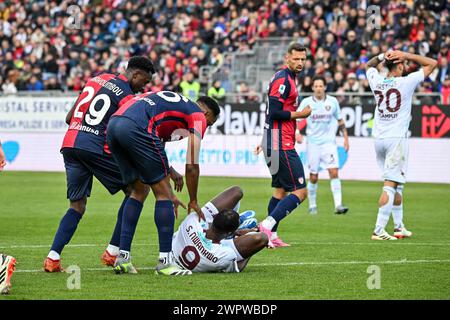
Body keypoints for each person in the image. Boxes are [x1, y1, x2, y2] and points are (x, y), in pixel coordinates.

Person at [43, 56, 155, 272]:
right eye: (145, 81)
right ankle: (113, 252)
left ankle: (53, 258)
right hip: (94, 146)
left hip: (70, 144)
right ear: (136, 74)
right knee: (138, 189)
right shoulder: (127, 97)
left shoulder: (97, 79)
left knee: (77, 206)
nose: (144, 87)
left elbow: (69, 117)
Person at [106, 91, 220, 275]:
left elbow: (157, 146)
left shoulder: (175, 106)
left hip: (114, 125)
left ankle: (123, 259)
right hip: (138, 128)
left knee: (138, 190)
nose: (207, 127)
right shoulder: (198, 116)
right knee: (163, 195)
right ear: (207, 114)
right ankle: (165, 262)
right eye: (210, 123)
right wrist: (193, 200)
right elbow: (191, 165)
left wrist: (170, 172)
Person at [365, 50, 437, 240]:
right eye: (403, 65)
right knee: (390, 185)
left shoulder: (377, 80)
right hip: (396, 139)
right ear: (398, 66)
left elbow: (368, 65)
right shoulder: (406, 82)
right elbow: (432, 63)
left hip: (379, 139)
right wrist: (407, 54)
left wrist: (382, 56)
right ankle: (378, 230)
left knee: (397, 184)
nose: (405, 67)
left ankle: (398, 227)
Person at [255, 43, 312, 248]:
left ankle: (270, 236)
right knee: (301, 191)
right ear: (287, 58)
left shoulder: (287, 78)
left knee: (280, 191)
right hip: (281, 142)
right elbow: (275, 112)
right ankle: (267, 225)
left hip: (274, 139)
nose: (300, 63)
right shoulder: (283, 79)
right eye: (296, 59)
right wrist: (300, 114)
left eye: (303, 59)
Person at [171, 186, 268, 273]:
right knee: (262, 238)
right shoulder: (225, 254)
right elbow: (238, 267)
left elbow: (206, 222)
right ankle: (238, 232)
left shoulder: (192, 220)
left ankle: (235, 230)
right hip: (216, 248)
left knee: (236, 192)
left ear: (214, 218)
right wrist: (252, 248)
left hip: (175, 252)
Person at [296, 75, 349, 215]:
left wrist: (346, 138)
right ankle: (312, 205)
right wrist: (296, 132)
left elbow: (340, 120)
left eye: (321, 86)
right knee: (313, 176)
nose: (319, 88)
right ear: (313, 88)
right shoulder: (307, 102)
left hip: (329, 144)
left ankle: (338, 205)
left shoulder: (332, 102)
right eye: (316, 86)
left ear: (325, 87)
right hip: (313, 144)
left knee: (334, 172)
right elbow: (296, 118)